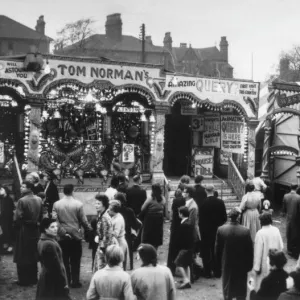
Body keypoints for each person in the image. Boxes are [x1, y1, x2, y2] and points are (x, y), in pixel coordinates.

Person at [52, 184, 91, 288]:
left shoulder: (56, 204)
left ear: (63, 192)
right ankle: (75, 281)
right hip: (75, 234)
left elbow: (54, 220)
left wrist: (62, 232)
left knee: (64, 259)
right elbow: (83, 220)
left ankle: (66, 280)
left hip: (62, 235)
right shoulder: (78, 204)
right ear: (72, 191)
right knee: (76, 259)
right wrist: (89, 230)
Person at [215, 207, 253, 300]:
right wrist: (249, 266)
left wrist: (218, 265)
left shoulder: (221, 229)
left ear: (229, 216)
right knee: (240, 288)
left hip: (226, 262)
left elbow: (217, 249)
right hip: (241, 263)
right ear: (239, 216)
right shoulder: (245, 231)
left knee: (227, 287)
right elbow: (250, 250)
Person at [14, 180, 43, 286]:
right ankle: (34, 278)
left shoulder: (22, 201)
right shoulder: (39, 199)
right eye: (21, 186)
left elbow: (17, 218)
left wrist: (16, 227)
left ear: (29, 188)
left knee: (22, 254)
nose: (21, 188)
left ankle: (24, 280)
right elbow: (41, 215)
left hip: (24, 230)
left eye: (23, 187)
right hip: (35, 230)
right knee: (33, 253)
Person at [36, 218, 70, 300]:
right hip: (53, 281)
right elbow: (55, 267)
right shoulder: (49, 244)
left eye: (56, 226)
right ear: (45, 229)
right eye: (52, 227)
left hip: (47, 278)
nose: (56, 229)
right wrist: (63, 282)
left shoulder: (43, 240)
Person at [200, 184, 227, 278]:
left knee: (206, 251)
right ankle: (217, 271)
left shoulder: (203, 203)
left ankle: (207, 272)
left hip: (206, 231)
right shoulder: (220, 202)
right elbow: (224, 217)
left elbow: (201, 220)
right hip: (218, 230)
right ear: (214, 190)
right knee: (217, 251)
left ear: (205, 191)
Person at [253, 212, 284, 290]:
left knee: (264, 284)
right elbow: (281, 246)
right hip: (276, 261)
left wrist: (256, 267)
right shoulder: (276, 230)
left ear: (261, 222)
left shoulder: (260, 233)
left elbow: (258, 252)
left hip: (265, 264)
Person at [114, 192, 141, 270]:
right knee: (127, 255)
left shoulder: (112, 211)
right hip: (126, 236)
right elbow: (135, 225)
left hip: (115, 236)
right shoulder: (129, 211)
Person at [93, 192, 115, 272]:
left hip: (105, 248)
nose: (96, 205)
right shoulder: (101, 215)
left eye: (98, 204)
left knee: (103, 270)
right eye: (95, 203)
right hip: (102, 245)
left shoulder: (105, 217)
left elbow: (108, 235)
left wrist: (102, 249)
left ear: (104, 205)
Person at [167, 182, 186, 274]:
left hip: (175, 225)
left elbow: (171, 214)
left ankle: (171, 266)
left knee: (172, 246)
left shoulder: (175, 201)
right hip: (180, 225)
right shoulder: (183, 201)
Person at [139, 183, 165, 250]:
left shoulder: (150, 199)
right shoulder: (163, 199)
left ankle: (148, 249)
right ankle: (155, 249)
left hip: (150, 218)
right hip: (159, 218)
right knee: (157, 234)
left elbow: (142, 208)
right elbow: (163, 206)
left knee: (148, 234)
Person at [174, 206, 194, 289]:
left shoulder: (183, 225)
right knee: (186, 264)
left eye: (179, 213)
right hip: (190, 247)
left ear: (181, 214)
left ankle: (185, 280)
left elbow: (181, 238)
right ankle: (188, 280)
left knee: (178, 263)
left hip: (184, 248)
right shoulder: (189, 223)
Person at [108, 200, 129, 270]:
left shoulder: (118, 219)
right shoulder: (115, 216)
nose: (108, 210)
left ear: (113, 210)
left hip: (119, 243)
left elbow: (116, 234)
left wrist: (106, 230)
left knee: (118, 262)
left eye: (109, 209)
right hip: (117, 241)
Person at [282, 184, 300, 258]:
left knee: (288, 232)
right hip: (296, 218)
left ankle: (289, 249)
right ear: (297, 188)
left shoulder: (285, 196)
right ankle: (294, 250)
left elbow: (283, 209)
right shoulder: (299, 197)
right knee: (295, 233)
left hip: (288, 217)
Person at [0, 185, 14, 253]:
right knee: (3, 232)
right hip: (2, 219)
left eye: (1, 190)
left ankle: (10, 245)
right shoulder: (1, 199)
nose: (0, 191)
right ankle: (4, 246)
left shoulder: (9, 199)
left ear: (5, 191)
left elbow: (10, 210)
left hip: (8, 219)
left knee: (8, 231)